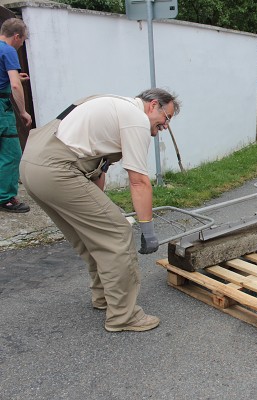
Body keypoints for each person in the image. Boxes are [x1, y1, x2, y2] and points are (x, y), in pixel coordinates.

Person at [20, 88, 180, 332]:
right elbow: (138, 181)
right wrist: (148, 229)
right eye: (166, 118)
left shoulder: (113, 105)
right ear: (153, 105)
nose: (165, 126)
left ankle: (104, 297)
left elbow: (98, 171)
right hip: (58, 170)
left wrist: (98, 206)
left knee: (91, 236)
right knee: (117, 233)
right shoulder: (136, 120)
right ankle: (124, 316)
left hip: (33, 166)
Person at [0, 18, 32, 213]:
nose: (21, 44)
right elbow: (14, 85)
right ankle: (6, 198)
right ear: (17, 36)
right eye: (23, 40)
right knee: (11, 153)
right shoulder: (8, 50)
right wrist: (22, 111)